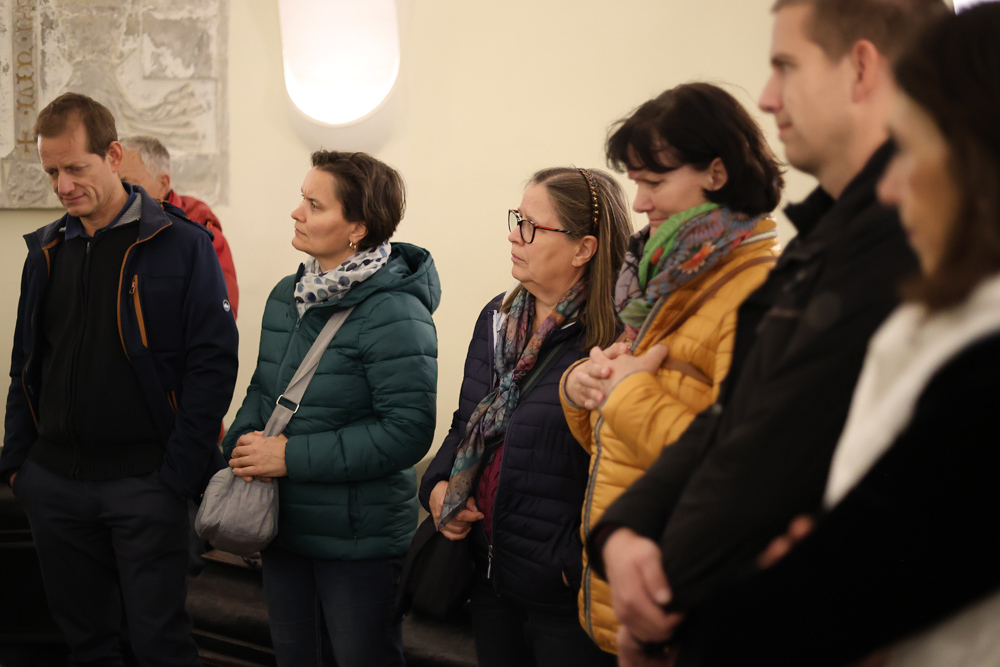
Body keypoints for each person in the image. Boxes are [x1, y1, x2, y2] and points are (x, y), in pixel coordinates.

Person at [634, 5, 1000, 665]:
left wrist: (790, 584)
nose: (890, 187)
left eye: (913, 147)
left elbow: (872, 560)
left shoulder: (968, 329)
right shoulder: (916, 305)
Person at [0, 93, 238, 666]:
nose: (62, 186)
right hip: (55, 483)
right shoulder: (46, 249)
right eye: (51, 172)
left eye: (75, 168)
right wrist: (18, 464)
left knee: (160, 646)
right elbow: (26, 362)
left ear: (112, 155)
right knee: (86, 646)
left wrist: (177, 474)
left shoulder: (184, 244)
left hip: (146, 484)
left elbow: (213, 365)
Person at [559, 82, 783, 654]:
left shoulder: (757, 291)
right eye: (636, 182)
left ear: (716, 172)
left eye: (654, 182)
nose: (639, 203)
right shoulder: (665, 278)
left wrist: (627, 393)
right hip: (630, 588)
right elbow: (613, 443)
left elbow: (740, 468)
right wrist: (581, 388)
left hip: (684, 597)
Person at [222, 150, 439, 667]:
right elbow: (263, 389)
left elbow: (406, 433)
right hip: (281, 524)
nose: (296, 212)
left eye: (315, 205)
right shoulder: (288, 294)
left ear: (357, 228)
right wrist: (241, 446)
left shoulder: (395, 311)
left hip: (358, 541)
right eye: (302, 198)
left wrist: (288, 457)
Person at [418, 167, 631, 666]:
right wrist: (437, 486)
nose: (514, 236)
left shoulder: (614, 341)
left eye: (532, 227)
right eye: (517, 219)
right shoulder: (498, 317)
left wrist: (571, 564)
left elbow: (624, 469)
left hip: (565, 595)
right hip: (490, 577)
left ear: (583, 249)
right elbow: (465, 423)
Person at [119, 135, 240, 318]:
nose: (120, 194)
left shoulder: (202, 235)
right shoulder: (109, 228)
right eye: (115, 185)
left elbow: (219, 317)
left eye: (128, 184)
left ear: (163, 184)